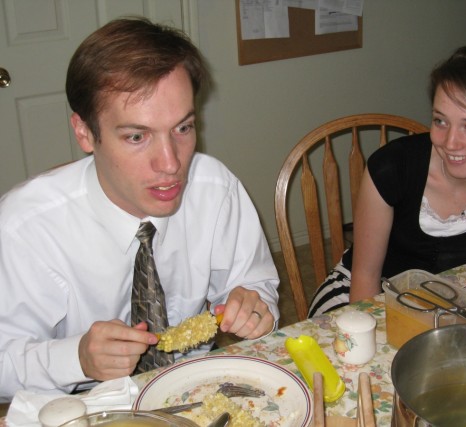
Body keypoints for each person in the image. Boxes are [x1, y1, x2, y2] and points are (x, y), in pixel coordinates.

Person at [0, 17, 279, 400]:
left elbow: (257, 285)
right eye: (136, 136)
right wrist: (76, 358)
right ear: (84, 132)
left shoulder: (216, 189)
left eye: (183, 128)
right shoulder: (23, 226)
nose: (171, 163)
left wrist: (255, 308)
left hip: (194, 389)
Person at [308, 45, 466, 317]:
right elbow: (365, 276)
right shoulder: (392, 167)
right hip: (367, 295)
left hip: (453, 303)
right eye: (440, 121)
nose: (451, 143)